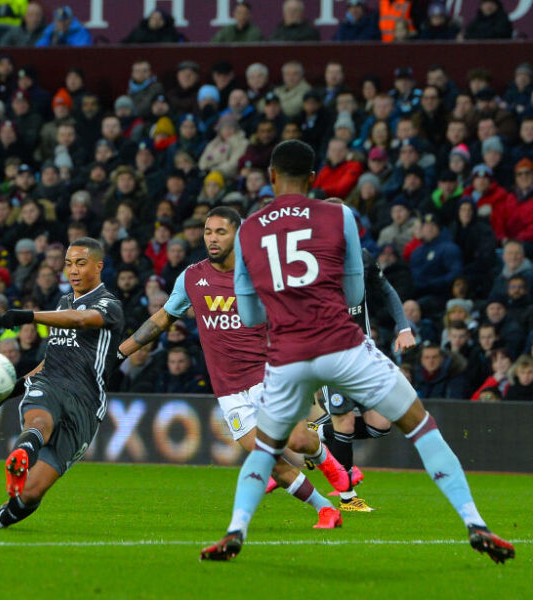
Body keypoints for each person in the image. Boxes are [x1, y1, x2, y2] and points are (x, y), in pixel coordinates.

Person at [200, 140, 514, 563]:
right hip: (342, 345)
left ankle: (236, 530)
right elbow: (352, 291)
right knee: (422, 427)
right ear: (314, 179)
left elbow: (252, 315)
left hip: (287, 355)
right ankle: (474, 522)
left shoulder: (250, 229)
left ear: (271, 176)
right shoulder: (339, 214)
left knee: (266, 449)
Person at [118, 206, 349, 529]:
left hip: (267, 375)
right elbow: (161, 319)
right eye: (208, 232)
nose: (212, 239)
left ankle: (325, 458)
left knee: (297, 440)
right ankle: (325, 508)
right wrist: (122, 352)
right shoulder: (192, 278)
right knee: (268, 461)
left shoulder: (261, 273)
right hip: (228, 389)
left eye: (220, 232)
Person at [0, 238, 123, 529]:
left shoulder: (109, 305)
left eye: (81, 263)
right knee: (39, 420)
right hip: (49, 383)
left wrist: (28, 315)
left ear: (99, 266)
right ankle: (23, 455)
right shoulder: (64, 303)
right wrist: (18, 384)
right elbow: (51, 357)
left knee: (31, 493)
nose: (73, 270)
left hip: (86, 403)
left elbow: (81, 320)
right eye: (68, 264)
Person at [311, 200, 418, 512]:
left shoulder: (363, 258)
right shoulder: (308, 264)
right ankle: (347, 498)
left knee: (380, 425)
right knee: (344, 422)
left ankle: (320, 432)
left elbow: (386, 292)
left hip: (362, 352)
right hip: (331, 352)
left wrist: (403, 327)